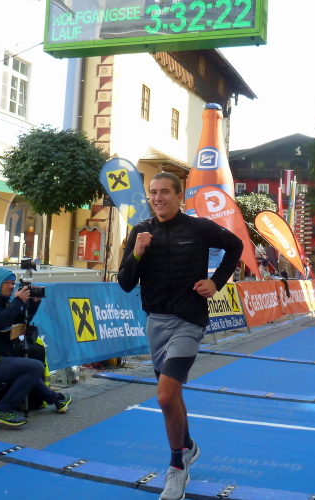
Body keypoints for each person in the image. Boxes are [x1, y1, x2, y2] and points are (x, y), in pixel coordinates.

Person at [118, 172, 243, 500]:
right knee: (171, 395)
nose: (158, 198)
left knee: (164, 397)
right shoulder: (141, 231)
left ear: (179, 196)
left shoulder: (198, 228)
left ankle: (177, 466)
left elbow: (235, 246)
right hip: (155, 323)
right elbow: (125, 283)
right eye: (153, 192)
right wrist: (137, 253)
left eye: (164, 192)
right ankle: (187, 445)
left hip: (189, 321)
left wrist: (216, 282)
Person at [0, 267, 70, 426]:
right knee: (35, 367)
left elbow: (21, 319)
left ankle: (56, 399)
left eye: (13, 283)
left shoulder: (0, 301)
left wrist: (34, 303)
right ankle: (3, 410)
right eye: (7, 283)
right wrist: (18, 301)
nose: (11, 286)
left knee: (28, 368)